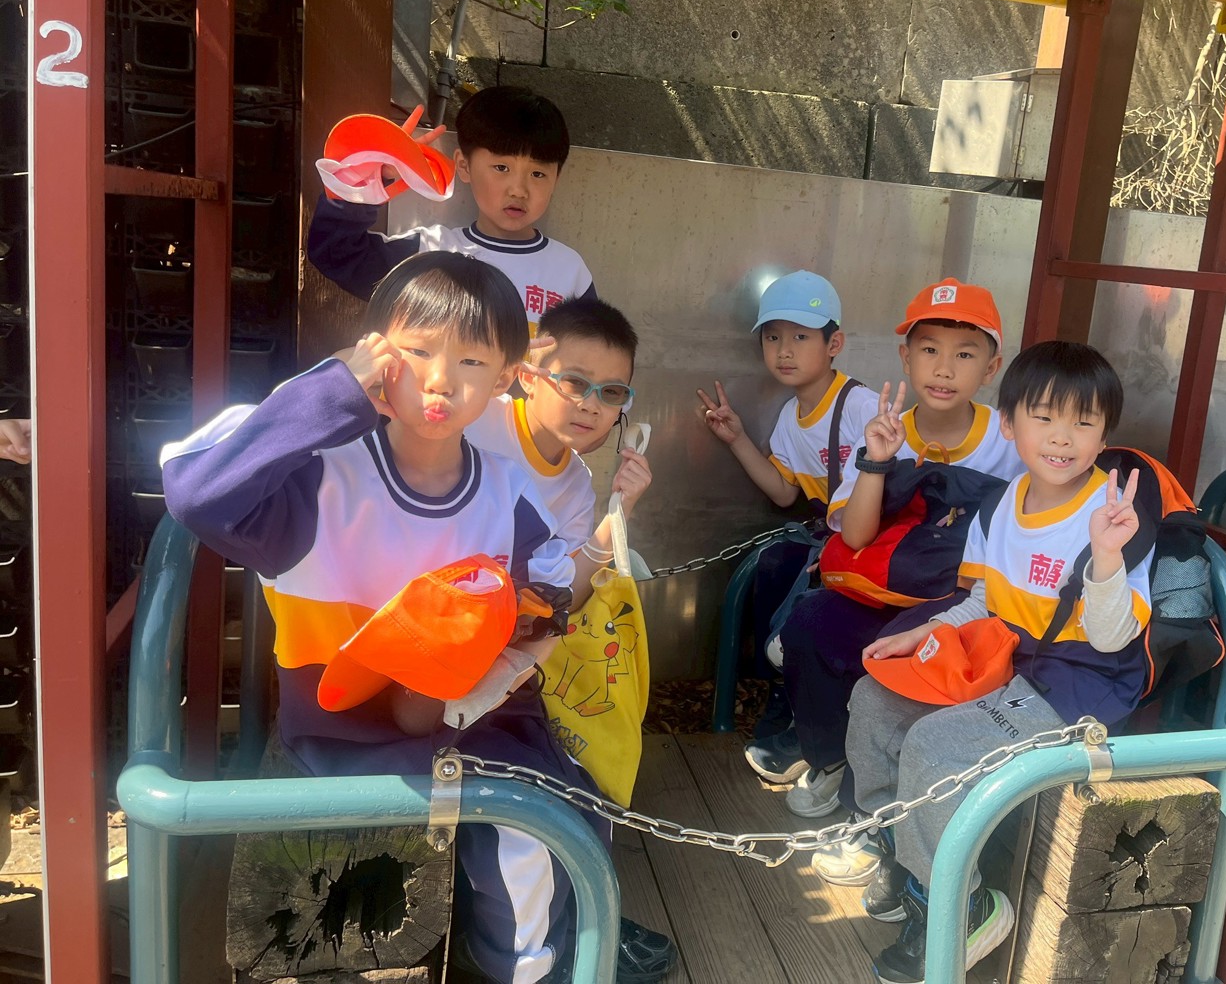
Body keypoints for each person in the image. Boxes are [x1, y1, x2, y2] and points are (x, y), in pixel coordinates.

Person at [160, 252, 673, 984]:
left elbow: (545, 600)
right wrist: (334, 387)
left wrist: (472, 667)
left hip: (476, 721)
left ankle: (533, 961)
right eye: (417, 351)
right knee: (521, 831)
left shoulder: (506, 493)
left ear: (505, 379)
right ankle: (531, 962)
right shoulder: (318, 480)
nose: (440, 380)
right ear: (375, 354)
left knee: (568, 816)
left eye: (471, 361)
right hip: (344, 735)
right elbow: (196, 492)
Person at [832, 340, 1151, 983]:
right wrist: (922, 633)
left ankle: (960, 905)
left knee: (935, 745)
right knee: (873, 702)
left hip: (1080, 679)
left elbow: (1113, 639)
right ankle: (901, 855)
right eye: (1044, 417)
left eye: (1083, 422)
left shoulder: (1114, 515)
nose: (1061, 437)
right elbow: (982, 601)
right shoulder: (1001, 502)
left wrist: (1107, 559)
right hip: (1005, 654)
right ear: (1008, 424)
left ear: (1104, 435)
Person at [777, 278, 1024, 822]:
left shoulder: (1009, 441)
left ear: (991, 368)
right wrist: (878, 460)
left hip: (957, 600)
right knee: (809, 626)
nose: (944, 369)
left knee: (897, 662)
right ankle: (829, 759)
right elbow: (855, 537)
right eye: (929, 350)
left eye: (965, 354)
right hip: (879, 587)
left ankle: (880, 802)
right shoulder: (887, 430)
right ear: (905, 358)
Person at [696, 270, 875, 784]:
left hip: (869, 541)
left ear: (833, 344)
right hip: (830, 536)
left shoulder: (859, 406)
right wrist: (736, 438)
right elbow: (782, 493)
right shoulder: (790, 418)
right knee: (776, 561)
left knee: (808, 584)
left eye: (800, 336)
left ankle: (803, 707)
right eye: (773, 338)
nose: (785, 350)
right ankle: (785, 687)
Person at [308, 86, 595, 334]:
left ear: (557, 178)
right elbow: (336, 253)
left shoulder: (570, 271)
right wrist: (367, 180)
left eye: (538, 174)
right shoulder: (428, 253)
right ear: (464, 166)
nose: (519, 190)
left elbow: (592, 356)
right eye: (501, 168)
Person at [468, 296, 652, 594]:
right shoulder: (474, 416)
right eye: (575, 382)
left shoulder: (577, 487)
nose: (591, 405)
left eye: (611, 392)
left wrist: (620, 509)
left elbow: (567, 592)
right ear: (528, 377)